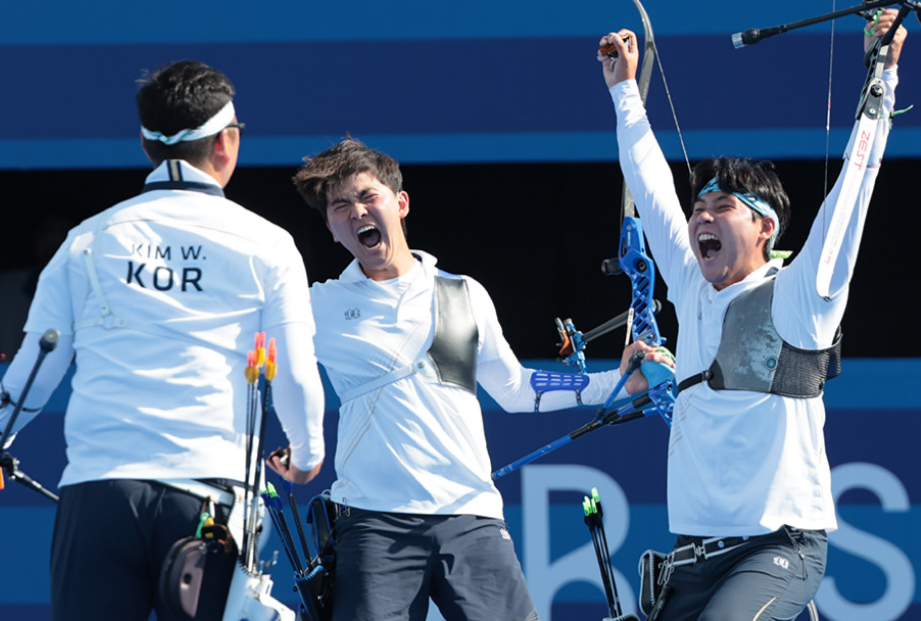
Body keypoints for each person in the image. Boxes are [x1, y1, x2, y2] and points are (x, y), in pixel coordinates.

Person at [0, 60, 326, 621]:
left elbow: (40, 359)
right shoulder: (268, 244)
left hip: (100, 497)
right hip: (211, 497)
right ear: (227, 143)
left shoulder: (87, 239)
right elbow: (296, 373)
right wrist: (307, 453)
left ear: (145, 144)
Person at [596, 8, 908, 621]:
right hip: (692, 555)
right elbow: (652, 184)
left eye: (723, 206)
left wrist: (882, 79)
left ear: (766, 226)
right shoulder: (691, 287)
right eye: (700, 207)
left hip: (779, 546)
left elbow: (853, 191)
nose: (701, 216)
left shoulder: (800, 296)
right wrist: (624, 91)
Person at [286, 138, 668, 621]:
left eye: (368, 197)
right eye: (341, 206)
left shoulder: (465, 293)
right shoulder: (317, 305)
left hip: (471, 518)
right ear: (331, 229)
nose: (357, 211)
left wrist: (612, 384)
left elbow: (516, 388)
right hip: (374, 524)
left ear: (400, 203)